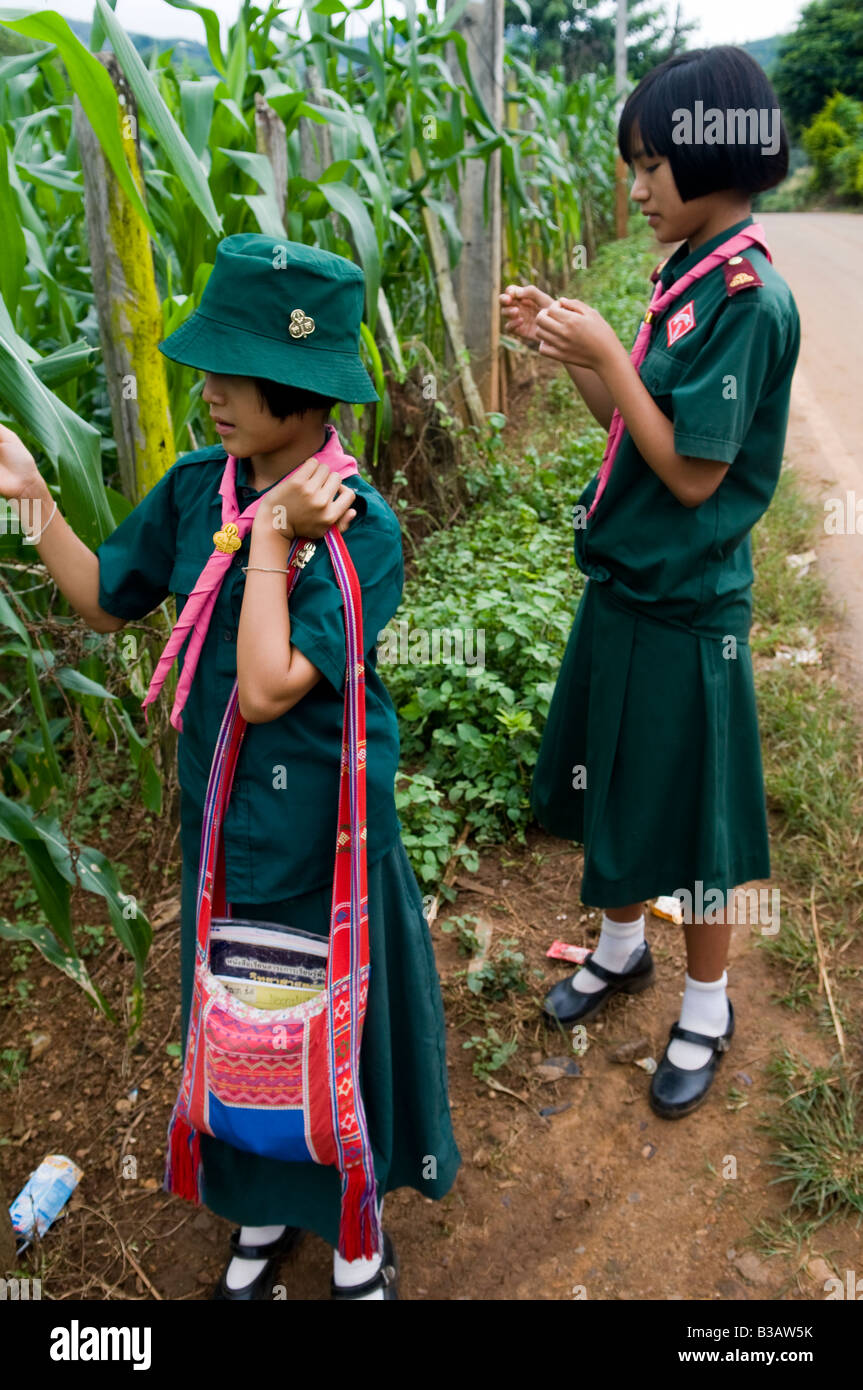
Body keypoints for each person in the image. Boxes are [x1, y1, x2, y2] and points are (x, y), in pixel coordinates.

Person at [0, 234, 460, 1298]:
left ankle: (353, 1225)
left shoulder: (356, 529)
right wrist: (28, 492)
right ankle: (261, 1209)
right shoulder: (198, 486)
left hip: (325, 842)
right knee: (240, 1015)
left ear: (302, 394)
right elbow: (106, 593)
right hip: (223, 827)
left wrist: (264, 544)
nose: (208, 391)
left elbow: (261, 687)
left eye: (233, 373)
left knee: (331, 1020)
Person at [500, 47, 800, 1119]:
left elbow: (686, 472)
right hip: (625, 591)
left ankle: (707, 1002)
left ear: (712, 161)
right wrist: (568, 348)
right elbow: (628, 433)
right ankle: (621, 946)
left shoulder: (746, 299)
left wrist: (610, 358)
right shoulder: (683, 273)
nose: (633, 189)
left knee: (701, 819)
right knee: (612, 774)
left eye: (646, 167)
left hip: (689, 613)